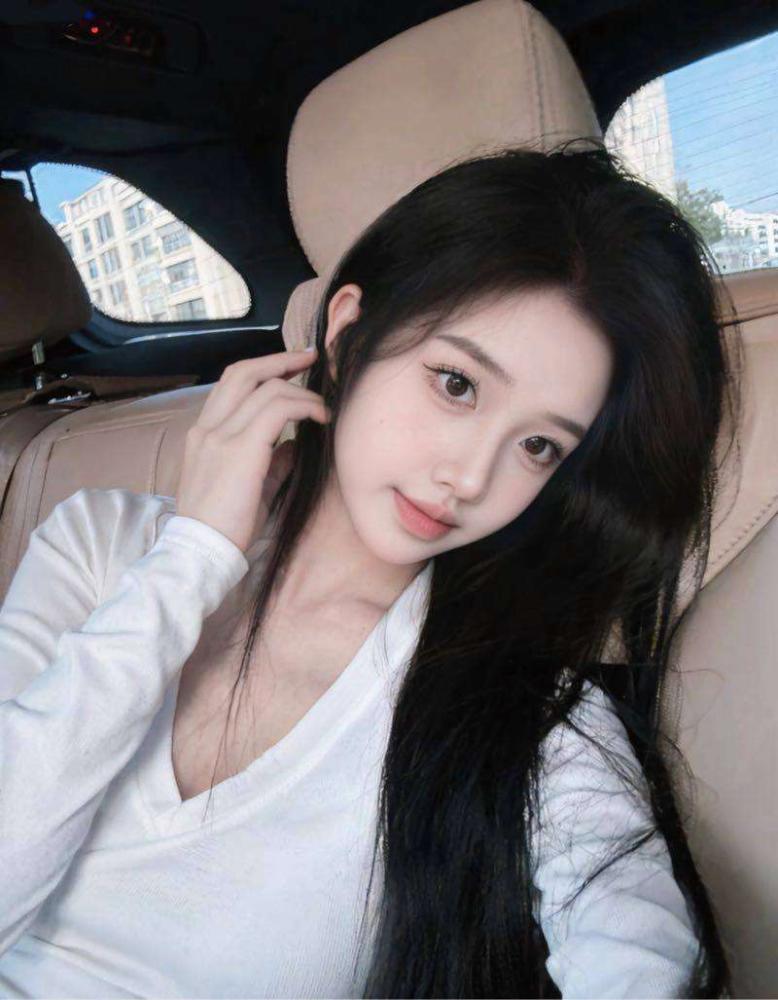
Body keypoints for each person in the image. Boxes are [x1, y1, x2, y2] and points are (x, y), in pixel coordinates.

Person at [0, 138, 741, 998]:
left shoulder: (529, 712)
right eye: (457, 384)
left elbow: (635, 949)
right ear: (348, 334)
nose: (470, 477)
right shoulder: (98, 545)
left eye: (539, 445)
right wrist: (194, 556)